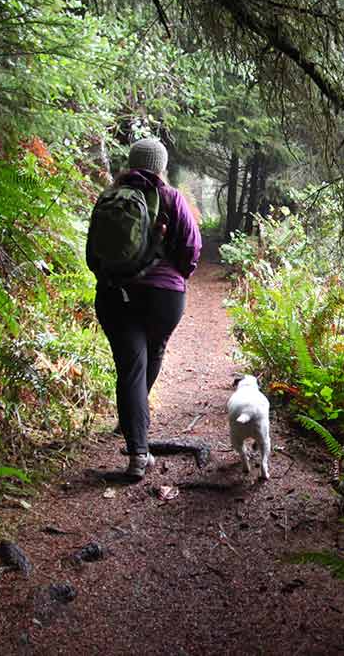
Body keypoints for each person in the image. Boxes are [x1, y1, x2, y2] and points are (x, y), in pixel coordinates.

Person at [92, 137, 202, 479]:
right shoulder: (172, 198)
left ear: (131, 162)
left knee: (130, 368)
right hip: (164, 299)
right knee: (152, 353)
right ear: (161, 166)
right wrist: (175, 278)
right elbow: (191, 248)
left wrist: (114, 278)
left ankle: (137, 450)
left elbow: (93, 254)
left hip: (115, 294)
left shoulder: (109, 198)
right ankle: (134, 422)